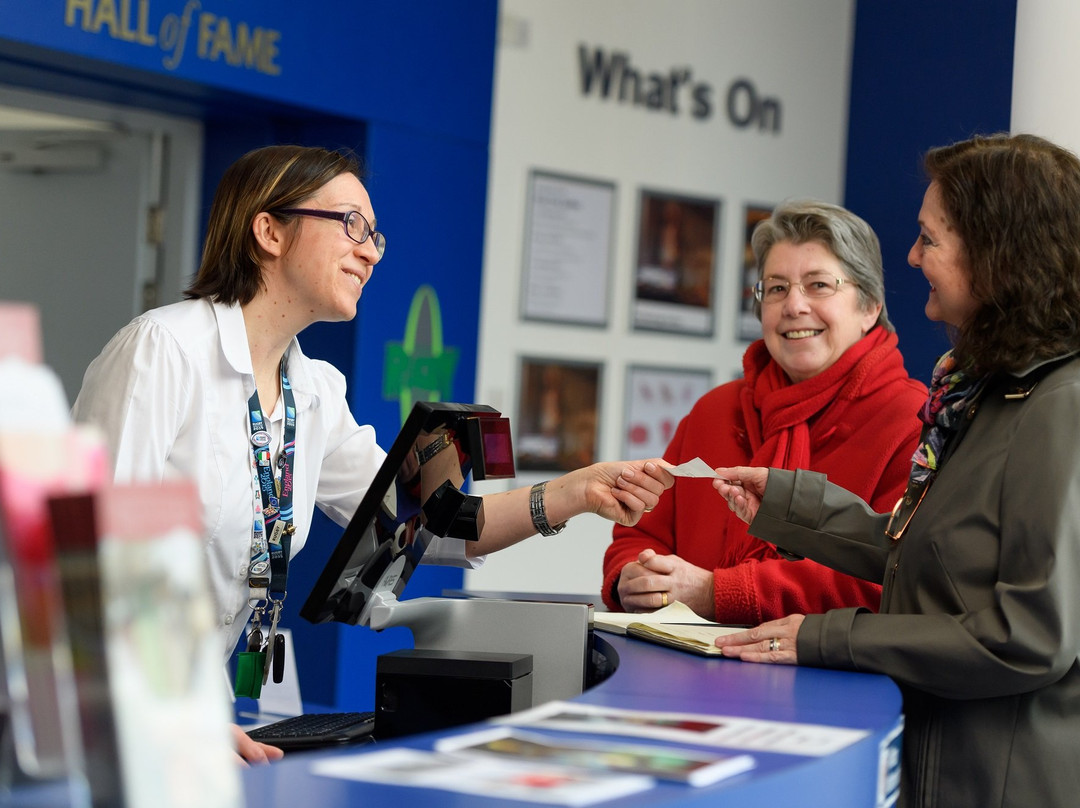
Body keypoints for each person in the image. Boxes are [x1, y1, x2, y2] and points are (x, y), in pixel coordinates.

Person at [72, 144, 674, 764]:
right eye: (351, 225)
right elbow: (86, 564)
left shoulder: (312, 392)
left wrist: (578, 491)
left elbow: (431, 527)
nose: (369, 251)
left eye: (375, 236)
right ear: (269, 231)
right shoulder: (162, 351)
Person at [712, 133, 1080, 808]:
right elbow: (931, 554)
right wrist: (794, 507)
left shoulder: (1063, 406)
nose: (912, 257)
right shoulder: (985, 392)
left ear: (997, 253)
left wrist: (827, 636)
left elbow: (1029, 637)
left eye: (929, 239)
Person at [603, 200, 926, 622]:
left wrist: (718, 592)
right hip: (685, 668)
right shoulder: (714, 410)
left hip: (829, 679)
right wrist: (633, 576)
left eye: (819, 285)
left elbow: (890, 579)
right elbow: (641, 532)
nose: (794, 306)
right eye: (776, 288)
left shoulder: (912, 420)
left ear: (870, 307)